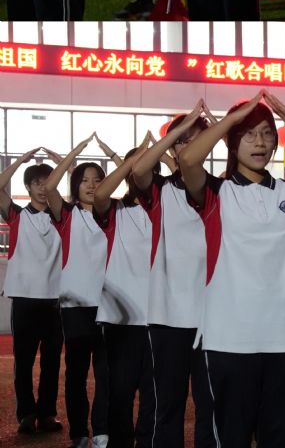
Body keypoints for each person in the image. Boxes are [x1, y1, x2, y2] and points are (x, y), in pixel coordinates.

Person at [177, 90, 285, 447]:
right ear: (232, 142)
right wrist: (231, 120)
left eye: (267, 134)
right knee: (233, 436)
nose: (260, 142)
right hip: (230, 338)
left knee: (277, 436)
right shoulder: (217, 193)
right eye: (249, 134)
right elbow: (189, 159)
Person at [131, 104, 216, 448]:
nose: (191, 146)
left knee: (212, 405)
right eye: (184, 141)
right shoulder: (159, 190)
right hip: (167, 316)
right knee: (168, 404)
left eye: (199, 140)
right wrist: (178, 131)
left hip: (213, 315)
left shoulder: (222, 189)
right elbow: (139, 169)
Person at [44, 135, 112, 448]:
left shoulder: (114, 215)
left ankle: (102, 431)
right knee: (76, 375)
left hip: (109, 306)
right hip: (76, 308)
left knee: (106, 374)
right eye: (84, 180)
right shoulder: (67, 215)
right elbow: (49, 188)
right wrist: (76, 153)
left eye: (98, 179)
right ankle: (80, 434)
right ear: (75, 185)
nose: (91, 185)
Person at [92, 136, 157, 448]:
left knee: (154, 392)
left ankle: (147, 441)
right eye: (136, 168)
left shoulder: (168, 209)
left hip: (160, 315)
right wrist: (131, 159)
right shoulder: (116, 211)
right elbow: (100, 194)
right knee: (120, 391)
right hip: (121, 319)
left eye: (149, 167)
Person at [0, 149, 63, 435]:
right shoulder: (17, 215)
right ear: (28, 187)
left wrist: (61, 163)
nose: (43, 187)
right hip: (24, 299)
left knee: (51, 363)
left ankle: (47, 414)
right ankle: (26, 414)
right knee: (23, 363)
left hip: (55, 299)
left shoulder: (61, 216)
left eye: (48, 181)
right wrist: (19, 161)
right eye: (37, 182)